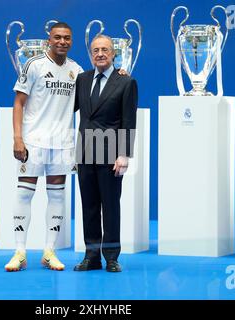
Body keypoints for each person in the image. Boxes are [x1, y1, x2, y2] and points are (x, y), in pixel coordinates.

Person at [4, 22, 83, 272]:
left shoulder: (77, 70)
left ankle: (49, 251)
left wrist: (119, 74)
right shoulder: (34, 65)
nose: (62, 41)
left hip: (61, 144)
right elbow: (18, 103)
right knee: (24, 194)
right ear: (49, 39)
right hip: (33, 142)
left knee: (57, 196)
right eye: (57, 37)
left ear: (72, 41)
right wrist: (18, 138)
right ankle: (19, 251)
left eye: (67, 38)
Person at [74, 34, 138, 272]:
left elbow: (129, 120)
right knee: (88, 207)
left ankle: (111, 257)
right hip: (84, 153)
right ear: (91, 54)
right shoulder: (82, 79)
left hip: (111, 155)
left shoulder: (126, 82)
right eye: (95, 50)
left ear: (113, 54)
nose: (100, 54)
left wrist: (124, 155)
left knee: (110, 207)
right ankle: (91, 257)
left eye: (105, 50)